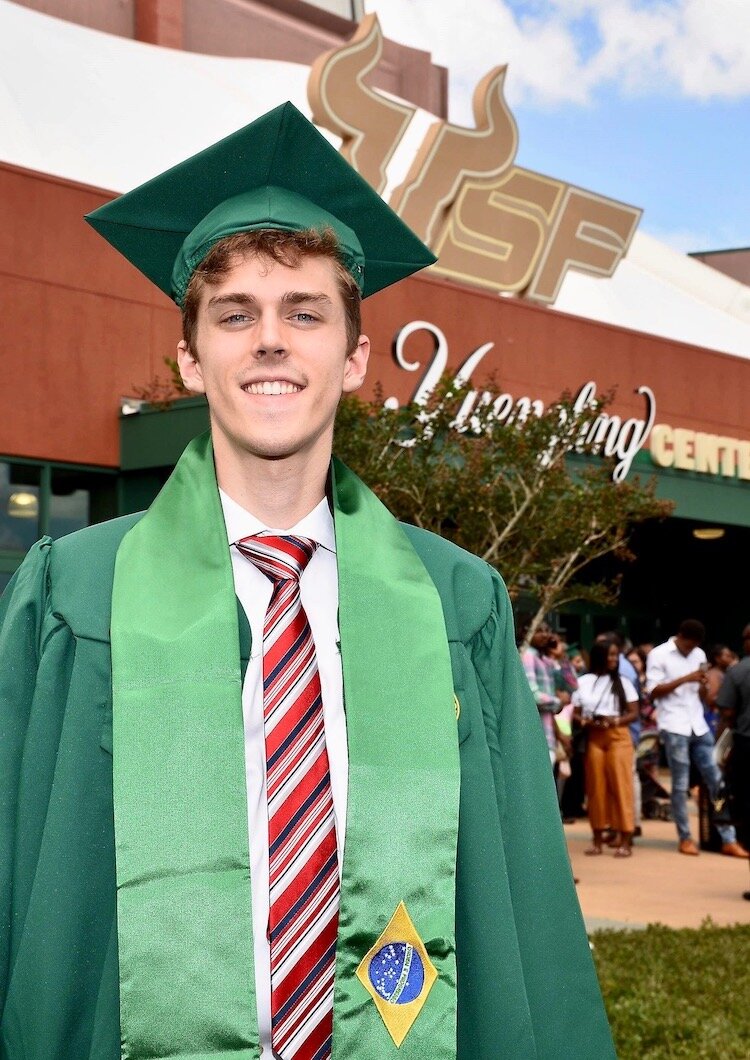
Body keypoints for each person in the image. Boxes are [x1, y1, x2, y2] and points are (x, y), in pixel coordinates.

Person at [0, 104, 615, 1058]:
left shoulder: (456, 604)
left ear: (356, 357)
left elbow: (520, 898)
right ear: (189, 358)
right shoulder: (74, 595)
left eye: (305, 312)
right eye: (235, 314)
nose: (271, 341)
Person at [646, 618, 747, 858]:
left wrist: (702, 684)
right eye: (689, 645)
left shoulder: (699, 653)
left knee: (717, 781)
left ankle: (728, 838)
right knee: (680, 785)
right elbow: (652, 691)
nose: (692, 650)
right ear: (680, 636)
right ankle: (685, 837)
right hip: (673, 724)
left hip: (698, 724)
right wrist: (685, 678)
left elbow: (701, 694)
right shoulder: (659, 655)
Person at [573, 640, 639, 856]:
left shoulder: (623, 682)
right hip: (595, 735)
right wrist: (586, 721)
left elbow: (634, 712)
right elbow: (575, 711)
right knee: (596, 788)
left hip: (618, 736)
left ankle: (626, 838)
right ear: (600, 655)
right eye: (610, 654)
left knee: (621, 786)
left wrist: (615, 720)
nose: (613, 659)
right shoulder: (584, 681)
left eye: (615, 655)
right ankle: (597, 839)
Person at [716, 624, 750, 900]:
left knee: (747, 812)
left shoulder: (738, 671)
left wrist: (722, 749)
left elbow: (726, 711)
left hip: (746, 748)